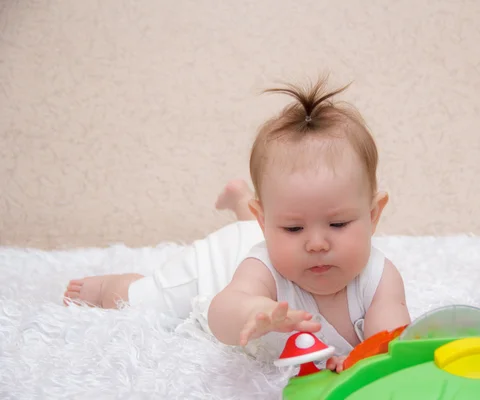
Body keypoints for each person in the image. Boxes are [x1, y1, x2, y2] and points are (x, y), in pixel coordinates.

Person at [64, 77, 411, 372]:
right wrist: (254, 311)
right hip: (220, 261)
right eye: (293, 228)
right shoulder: (262, 268)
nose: (316, 243)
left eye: (337, 223)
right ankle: (110, 286)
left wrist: (364, 363)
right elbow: (221, 313)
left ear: (373, 215)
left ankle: (242, 201)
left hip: (260, 229)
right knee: (152, 300)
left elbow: (392, 344)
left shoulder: (380, 277)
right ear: (266, 222)